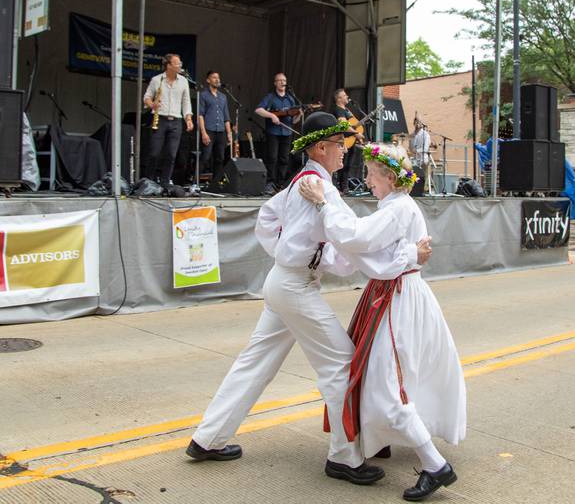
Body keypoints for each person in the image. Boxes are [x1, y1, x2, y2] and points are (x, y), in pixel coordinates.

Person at [186, 112, 432, 487]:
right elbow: (351, 237)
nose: (343, 152)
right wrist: (406, 257)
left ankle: (208, 438)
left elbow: (266, 221)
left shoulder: (301, 180)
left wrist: (292, 255)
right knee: (341, 365)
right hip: (295, 287)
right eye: (339, 145)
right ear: (321, 146)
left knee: (255, 362)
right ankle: (345, 457)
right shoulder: (323, 189)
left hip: (283, 281)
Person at [298, 143, 466, 502]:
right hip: (396, 294)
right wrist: (407, 255)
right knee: (383, 377)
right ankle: (384, 440)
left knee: (386, 383)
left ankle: (435, 466)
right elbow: (374, 249)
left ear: (390, 177)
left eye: (372, 174)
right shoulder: (396, 207)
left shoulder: (397, 209)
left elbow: (358, 239)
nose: (367, 180)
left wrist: (324, 203)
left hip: (397, 298)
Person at [142, 54, 194, 186]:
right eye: (177, 63)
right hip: (159, 119)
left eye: (180, 63)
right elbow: (146, 97)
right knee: (154, 152)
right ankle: (149, 181)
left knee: (171, 154)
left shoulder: (184, 81)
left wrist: (188, 118)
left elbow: (186, 101)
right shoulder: (156, 80)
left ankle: (165, 182)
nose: (180, 66)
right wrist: (152, 104)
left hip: (176, 121)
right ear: (169, 65)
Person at [256, 73, 298, 194]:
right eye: (279, 80)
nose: (282, 82)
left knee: (284, 158)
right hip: (273, 132)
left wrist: (299, 114)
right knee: (272, 158)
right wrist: (271, 115)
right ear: (275, 83)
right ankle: (270, 183)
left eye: (284, 80)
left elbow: (294, 120)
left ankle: (281, 184)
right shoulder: (270, 97)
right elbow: (258, 110)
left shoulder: (290, 98)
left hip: (287, 131)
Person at [198, 71, 233, 185]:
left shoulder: (223, 97)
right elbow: (200, 115)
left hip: (221, 131)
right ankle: (195, 182)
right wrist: (203, 133)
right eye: (214, 77)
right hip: (209, 129)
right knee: (206, 156)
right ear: (208, 80)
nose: (217, 79)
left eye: (218, 77)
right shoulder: (203, 95)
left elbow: (226, 116)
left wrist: (229, 133)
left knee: (220, 158)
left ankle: (216, 183)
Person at [331, 88, 363, 194]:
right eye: (344, 95)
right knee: (342, 165)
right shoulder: (338, 110)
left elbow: (353, 123)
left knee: (348, 165)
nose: (347, 97)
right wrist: (356, 133)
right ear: (339, 99)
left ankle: (344, 188)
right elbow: (344, 125)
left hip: (351, 141)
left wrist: (356, 132)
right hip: (343, 141)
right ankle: (340, 188)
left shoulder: (347, 110)